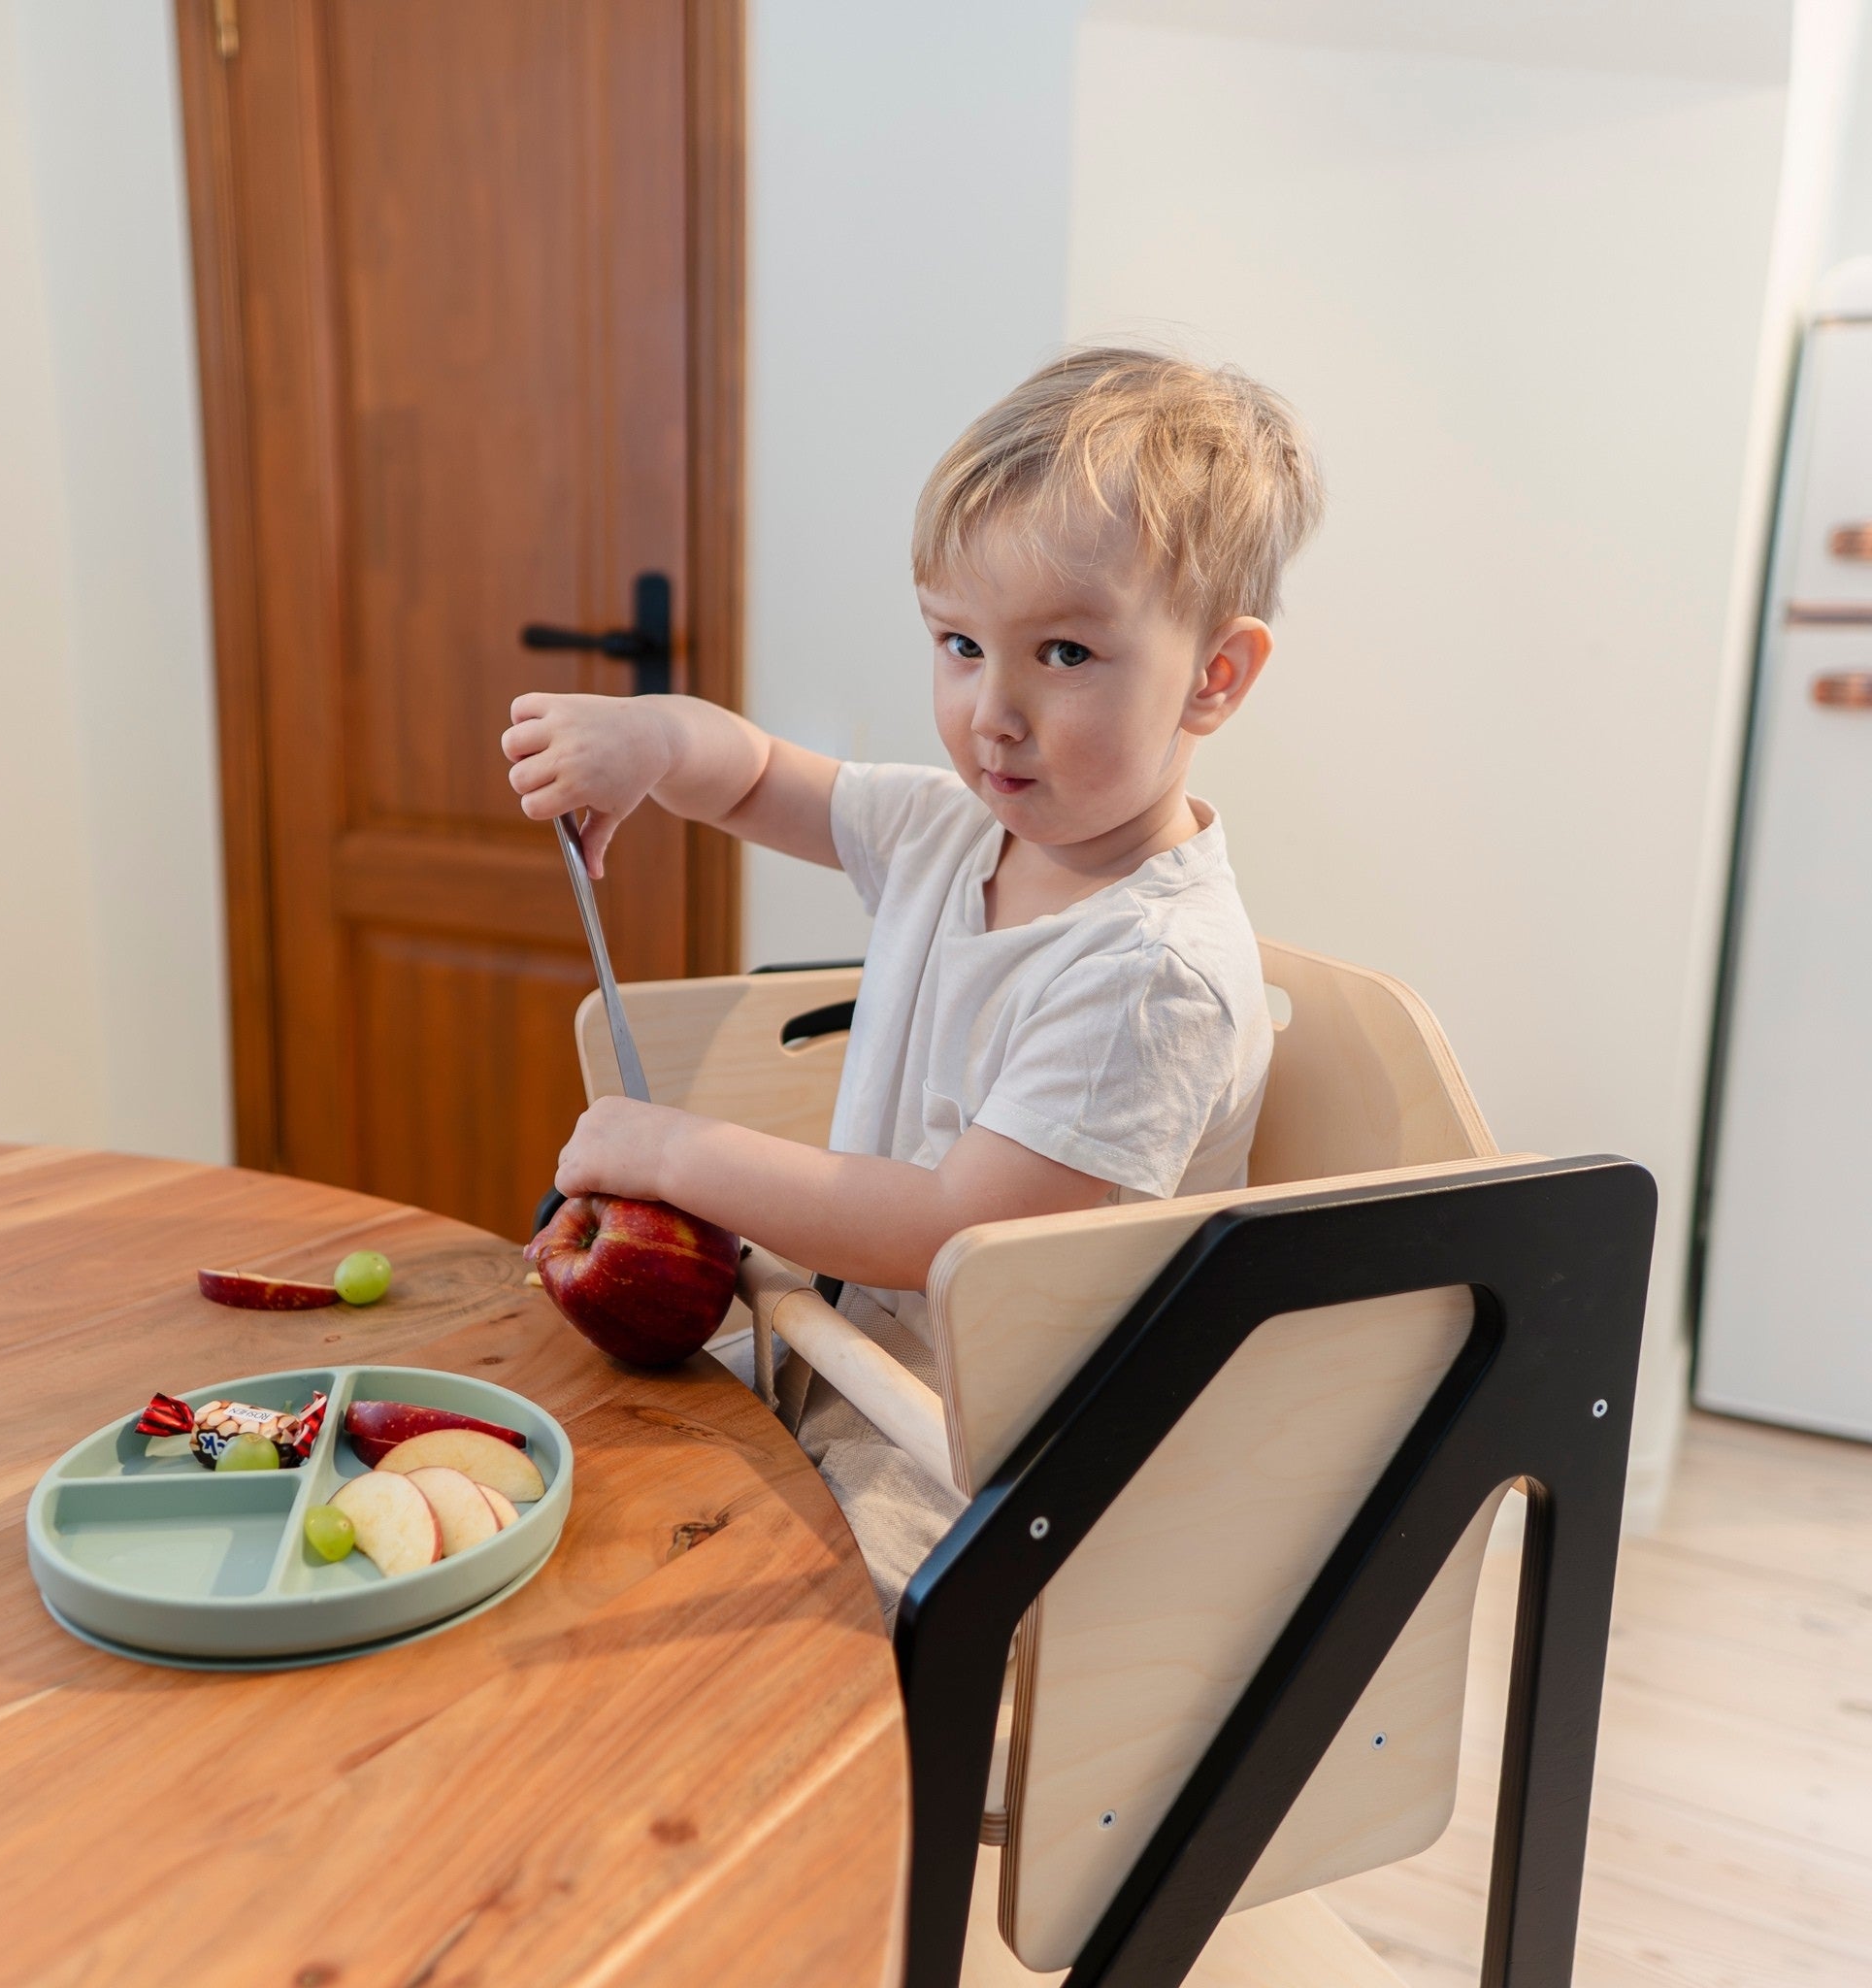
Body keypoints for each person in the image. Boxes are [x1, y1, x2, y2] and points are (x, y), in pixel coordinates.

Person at [502, 347, 1324, 1616]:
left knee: (733, 1638)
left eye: (1063, 654)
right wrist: (656, 736)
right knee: (561, 1497)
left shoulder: (1150, 976)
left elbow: (956, 1232)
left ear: (1214, 674)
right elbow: (761, 775)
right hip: (842, 1370)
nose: (992, 711)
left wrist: (673, 1156)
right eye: (957, 642)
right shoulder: (958, 831)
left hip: (990, 1463)